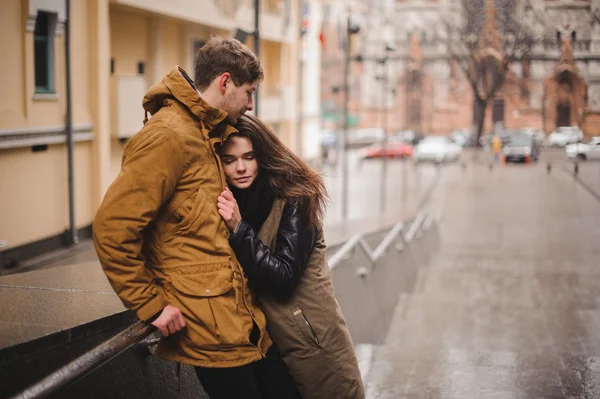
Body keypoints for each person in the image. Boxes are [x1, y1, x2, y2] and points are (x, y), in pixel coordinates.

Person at [93, 37, 300, 399]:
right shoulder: (168, 135)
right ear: (224, 83)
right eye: (248, 92)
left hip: (243, 321)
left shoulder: (206, 133)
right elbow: (113, 229)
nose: (250, 105)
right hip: (211, 332)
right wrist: (150, 304)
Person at [216, 114, 365, 399]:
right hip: (268, 343)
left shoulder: (295, 198)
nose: (241, 168)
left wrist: (238, 228)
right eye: (229, 160)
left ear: (263, 155)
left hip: (312, 340)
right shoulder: (234, 202)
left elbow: (283, 276)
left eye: (249, 156)